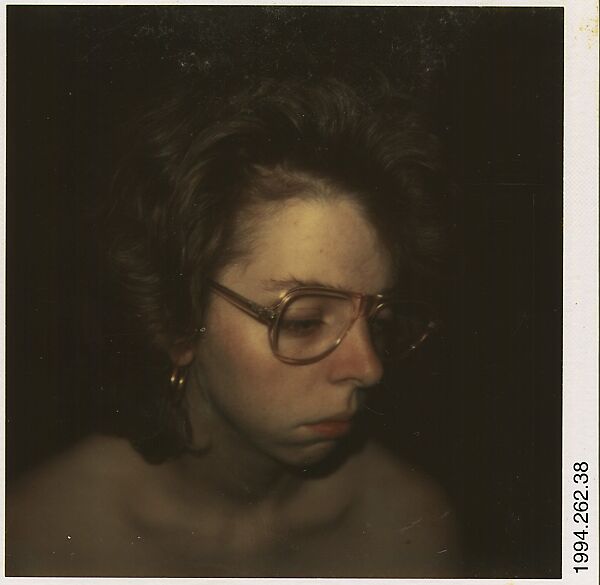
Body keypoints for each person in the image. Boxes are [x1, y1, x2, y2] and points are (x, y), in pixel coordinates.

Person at [6, 76, 461, 577]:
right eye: (304, 321)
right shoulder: (38, 539)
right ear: (177, 319)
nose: (369, 368)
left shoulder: (407, 524)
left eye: (379, 322)